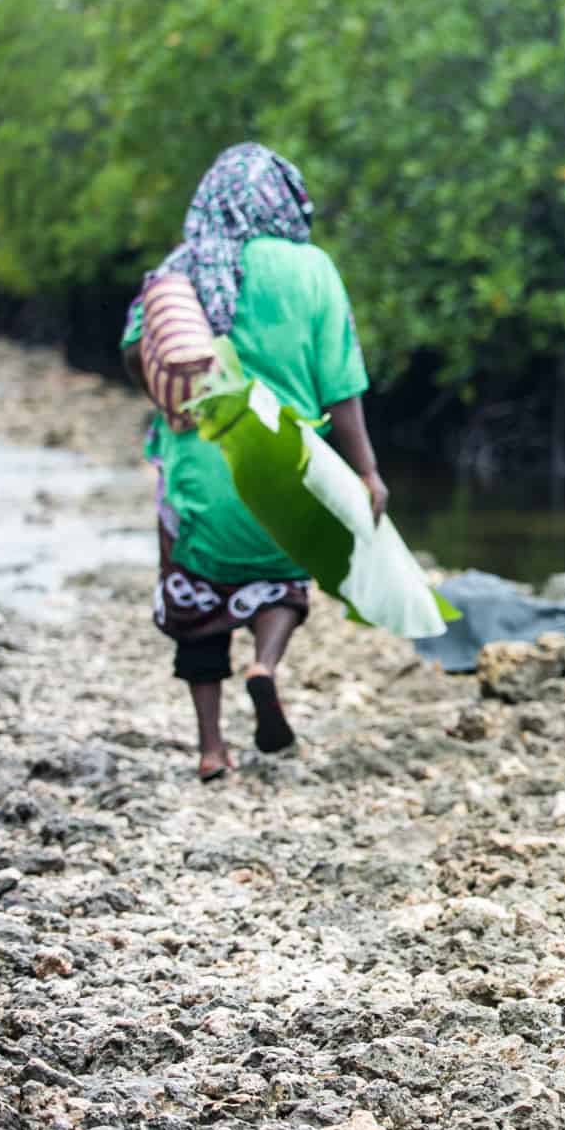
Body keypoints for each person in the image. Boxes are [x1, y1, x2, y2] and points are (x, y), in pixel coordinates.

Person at [120, 143, 387, 782]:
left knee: (194, 598)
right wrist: (367, 470)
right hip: (284, 466)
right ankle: (265, 664)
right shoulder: (312, 269)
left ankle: (212, 748)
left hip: (198, 470)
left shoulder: (179, 268)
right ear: (284, 200)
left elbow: (136, 351)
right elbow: (340, 381)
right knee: (284, 576)